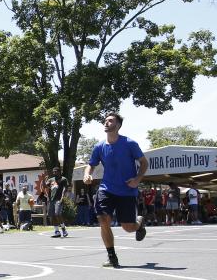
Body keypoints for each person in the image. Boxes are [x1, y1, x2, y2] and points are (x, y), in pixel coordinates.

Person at [83, 112, 148, 268]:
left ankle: (139, 223)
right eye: (105, 121)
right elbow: (91, 164)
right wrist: (87, 174)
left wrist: (137, 179)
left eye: (110, 121)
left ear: (118, 125)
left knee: (128, 227)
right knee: (103, 219)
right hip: (107, 188)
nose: (106, 123)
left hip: (127, 190)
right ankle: (112, 256)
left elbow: (144, 163)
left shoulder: (129, 143)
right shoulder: (99, 146)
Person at [47, 165, 69, 238]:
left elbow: (65, 189)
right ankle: (57, 231)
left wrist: (62, 197)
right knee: (52, 216)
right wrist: (46, 183)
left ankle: (64, 229)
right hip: (52, 200)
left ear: (59, 172)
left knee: (57, 214)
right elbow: (46, 186)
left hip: (58, 199)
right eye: (53, 172)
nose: (54, 173)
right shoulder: (51, 180)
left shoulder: (63, 179)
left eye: (55, 172)